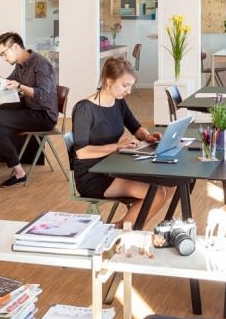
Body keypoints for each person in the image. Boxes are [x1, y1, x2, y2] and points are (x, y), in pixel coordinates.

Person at [69, 57, 174, 227]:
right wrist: (117, 146)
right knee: (157, 193)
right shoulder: (84, 109)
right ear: (109, 81)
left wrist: (147, 136)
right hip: (92, 174)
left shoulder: (118, 102)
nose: (129, 91)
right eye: (125, 85)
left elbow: (135, 127)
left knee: (169, 185)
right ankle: (121, 230)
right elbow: (82, 152)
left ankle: (121, 227)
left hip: (113, 166)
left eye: (131, 86)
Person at [0, 32, 58, 187]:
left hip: (44, 115)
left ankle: (15, 170)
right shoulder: (20, 64)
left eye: (4, 53)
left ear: (15, 47)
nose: (3, 58)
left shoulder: (40, 63)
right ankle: (18, 171)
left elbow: (43, 95)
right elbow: (8, 83)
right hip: (30, 108)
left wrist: (20, 86)